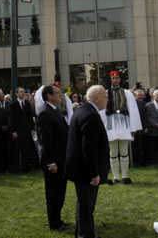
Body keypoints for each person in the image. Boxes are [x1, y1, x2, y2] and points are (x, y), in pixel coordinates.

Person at [64, 85, 109, 238]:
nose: (107, 99)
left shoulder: (83, 111)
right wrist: (94, 173)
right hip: (85, 170)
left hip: (80, 168)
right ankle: (86, 235)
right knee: (87, 204)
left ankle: (82, 233)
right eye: (105, 96)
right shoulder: (90, 115)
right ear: (96, 98)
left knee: (84, 203)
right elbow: (88, 147)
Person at [38, 85, 71, 231]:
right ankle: (54, 223)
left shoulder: (55, 110)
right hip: (53, 160)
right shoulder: (45, 113)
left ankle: (58, 219)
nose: (60, 95)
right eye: (57, 93)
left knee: (60, 191)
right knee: (53, 193)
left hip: (61, 157)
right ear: (49, 96)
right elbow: (46, 140)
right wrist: (51, 162)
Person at [102, 71, 141, 184]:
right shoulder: (105, 93)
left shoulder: (127, 93)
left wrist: (133, 127)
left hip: (124, 124)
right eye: (113, 78)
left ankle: (124, 176)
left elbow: (133, 109)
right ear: (110, 80)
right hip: (110, 124)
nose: (115, 80)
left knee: (124, 151)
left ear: (119, 79)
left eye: (116, 78)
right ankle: (116, 177)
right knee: (113, 152)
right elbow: (102, 111)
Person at [9, 86, 35, 174]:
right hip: (18, 131)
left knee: (26, 150)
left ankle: (25, 168)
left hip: (27, 131)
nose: (23, 93)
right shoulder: (13, 104)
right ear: (16, 94)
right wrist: (13, 131)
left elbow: (30, 118)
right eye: (21, 92)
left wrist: (32, 129)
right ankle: (17, 169)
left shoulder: (27, 104)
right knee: (17, 151)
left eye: (23, 91)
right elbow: (11, 119)